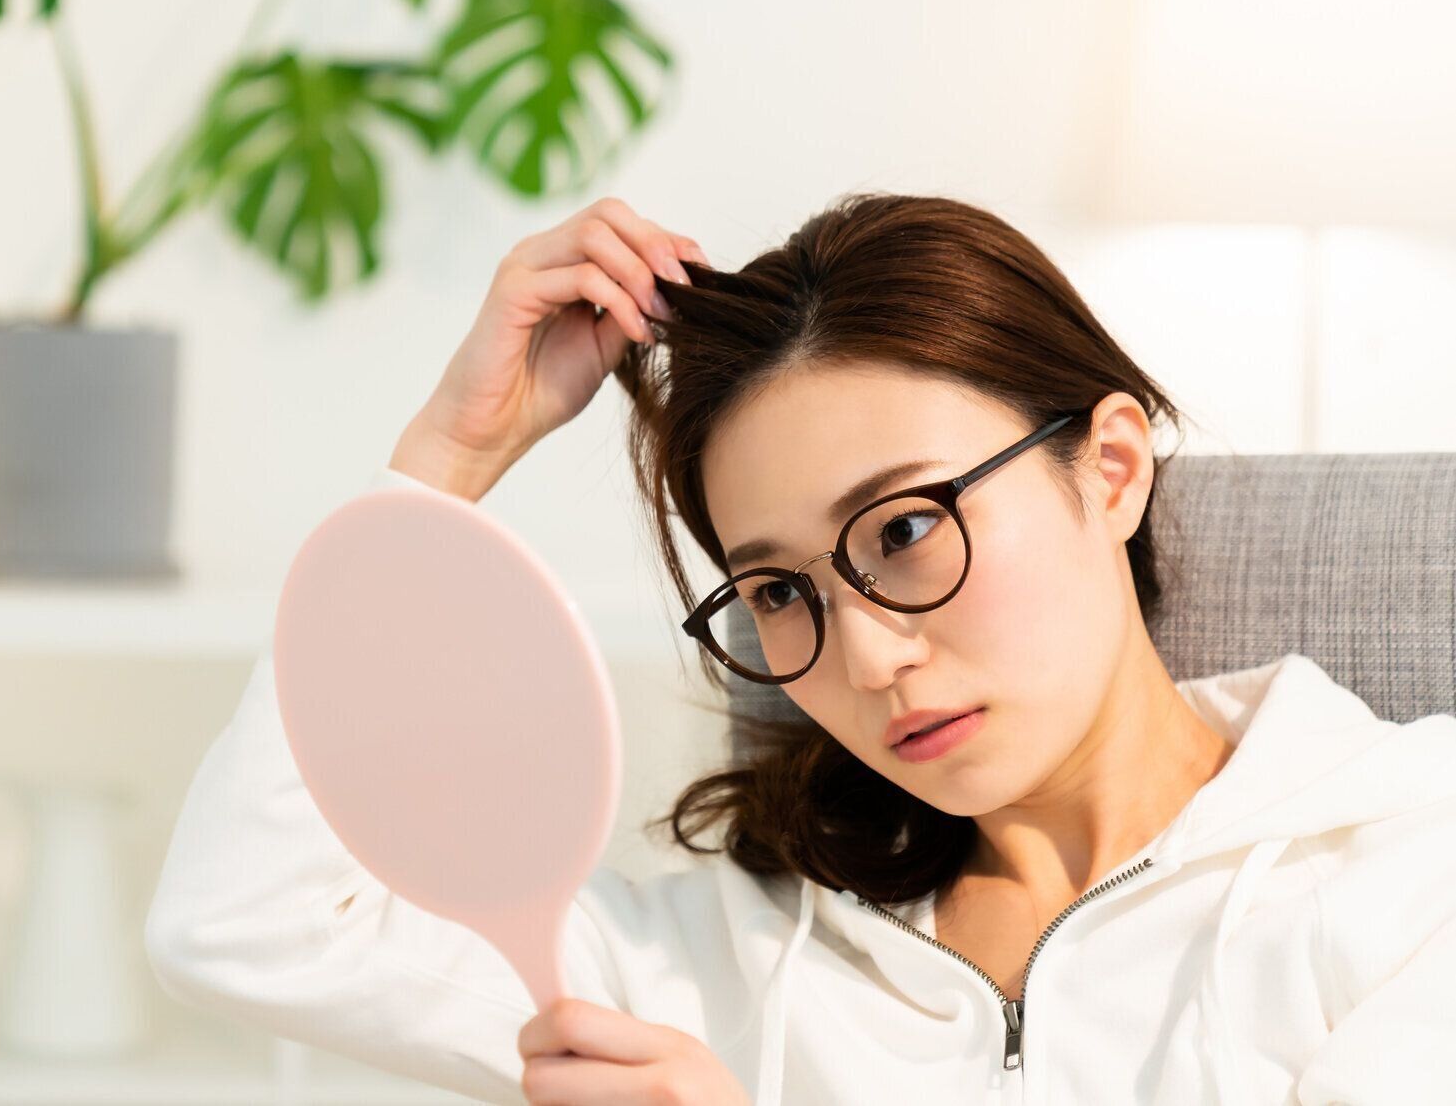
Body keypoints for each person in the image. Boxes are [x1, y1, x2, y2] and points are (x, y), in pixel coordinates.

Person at [143, 191, 1456, 1105]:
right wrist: (446, 462)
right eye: (777, 591)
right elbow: (246, 920)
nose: (867, 657)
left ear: (1108, 467)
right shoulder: (725, 953)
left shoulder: (1409, 867)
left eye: (905, 529)